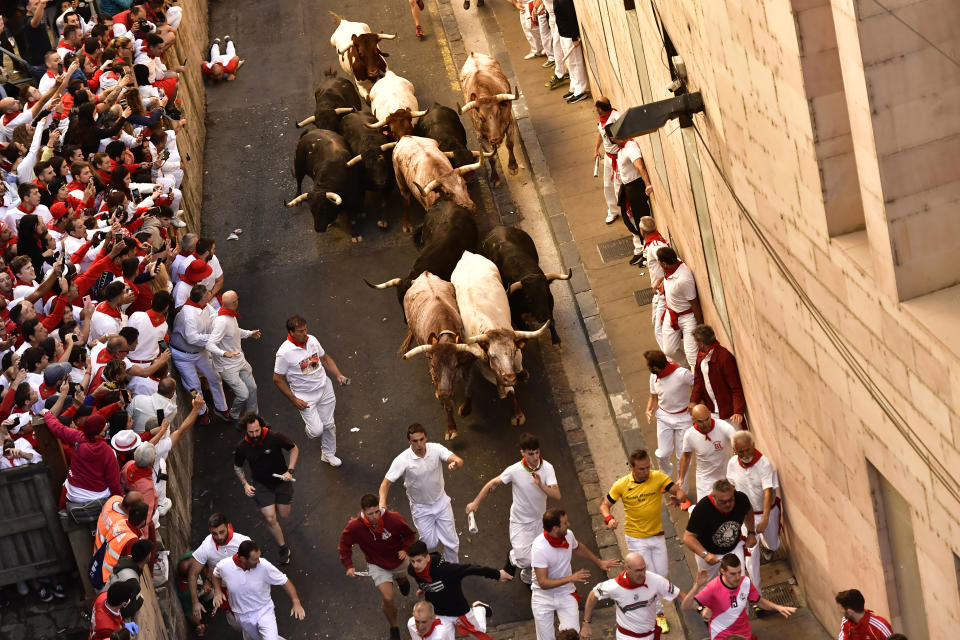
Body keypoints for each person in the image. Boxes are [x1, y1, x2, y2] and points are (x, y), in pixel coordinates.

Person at [599, 449, 687, 633]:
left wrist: (680, 497)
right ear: (631, 467)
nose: (646, 472)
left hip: (657, 535)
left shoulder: (658, 477)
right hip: (636, 538)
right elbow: (605, 505)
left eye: (647, 467)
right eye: (641, 469)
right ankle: (659, 615)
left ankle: (657, 607)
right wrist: (609, 519)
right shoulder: (621, 485)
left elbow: (677, 490)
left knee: (661, 574)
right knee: (648, 576)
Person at [465, 433, 560, 584]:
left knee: (539, 555)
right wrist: (475, 503)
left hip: (539, 520)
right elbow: (493, 483)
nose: (535, 457)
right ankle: (513, 557)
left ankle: (527, 578)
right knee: (525, 558)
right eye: (531, 453)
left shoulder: (548, 468)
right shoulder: (514, 470)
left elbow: (557, 495)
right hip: (519, 521)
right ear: (522, 452)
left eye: (537, 452)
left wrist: (541, 485)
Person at [530, 508, 620, 640]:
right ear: (555, 528)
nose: (569, 524)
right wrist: (571, 578)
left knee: (572, 635)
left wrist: (599, 562)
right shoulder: (539, 547)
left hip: (565, 593)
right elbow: (543, 583)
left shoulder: (568, 535)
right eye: (565, 523)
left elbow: (578, 547)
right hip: (543, 597)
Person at [380, 423, 464, 562]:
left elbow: (458, 460)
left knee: (452, 543)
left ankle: (452, 571)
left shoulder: (436, 448)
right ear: (409, 441)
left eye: (422, 439)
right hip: (421, 508)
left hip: (441, 502)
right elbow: (385, 484)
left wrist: (455, 463)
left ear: (426, 438)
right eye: (415, 441)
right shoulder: (402, 460)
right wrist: (382, 504)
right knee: (430, 544)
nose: (419, 444)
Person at [338, 493, 417, 640]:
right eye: (370, 514)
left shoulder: (394, 518)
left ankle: (402, 581)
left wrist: (405, 549)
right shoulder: (355, 527)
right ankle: (394, 627)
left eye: (376, 512)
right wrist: (348, 565)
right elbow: (344, 545)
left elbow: (410, 535)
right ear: (362, 512)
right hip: (377, 564)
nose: (374, 516)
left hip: (398, 560)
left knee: (401, 580)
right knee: (387, 598)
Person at [273, 314, 348, 467]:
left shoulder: (312, 340)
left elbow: (325, 358)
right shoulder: (284, 353)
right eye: (300, 331)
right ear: (291, 332)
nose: (304, 333)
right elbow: (277, 379)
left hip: (324, 387)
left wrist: (338, 375)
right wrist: (294, 399)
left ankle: (328, 454)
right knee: (316, 431)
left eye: (305, 329)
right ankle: (312, 428)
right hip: (305, 396)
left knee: (329, 425)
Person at [406, 539, 507, 639]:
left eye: (419, 560)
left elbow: (471, 569)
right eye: (412, 561)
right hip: (438, 613)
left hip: (458, 610)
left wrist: (497, 574)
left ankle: (479, 609)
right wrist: (422, 588)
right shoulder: (412, 570)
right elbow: (421, 579)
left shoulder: (446, 570)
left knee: (479, 634)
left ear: (427, 557)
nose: (415, 565)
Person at [234, 413, 299, 566]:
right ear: (245, 430)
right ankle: (283, 548)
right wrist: (245, 484)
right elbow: (237, 466)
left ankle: (276, 504)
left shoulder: (274, 437)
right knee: (270, 518)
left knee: (284, 514)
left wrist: (290, 471)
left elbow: (294, 449)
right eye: (251, 432)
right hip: (261, 485)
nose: (255, 434)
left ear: (261, 426)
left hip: (282, 481)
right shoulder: (242, 447)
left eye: (257, 430)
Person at [681, 555, 795, 638]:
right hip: (722, 636)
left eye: (739, 572)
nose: (737, 577)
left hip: (744, 634)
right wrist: (697, 586)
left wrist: (778, 607)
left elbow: (759, 601)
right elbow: (685, 606)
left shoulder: (745, 582)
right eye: (732, 574)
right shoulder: (713, 587)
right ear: (723, 572)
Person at [212, 539, 306, 640]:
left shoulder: (263, 565)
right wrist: (217, 591)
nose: (258, 561)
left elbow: (284, 581)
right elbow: (215, 574)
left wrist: (296, 602)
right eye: (255, 559)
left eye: (258, 557)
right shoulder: (224, 566)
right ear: (243, 559)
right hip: (242, 615)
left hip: (264, 610)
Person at [581, 552, 685, 640]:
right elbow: (593, 595)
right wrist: (586, 623)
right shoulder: (614, 586)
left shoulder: (655, 580)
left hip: (651, 635)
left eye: (644, 569)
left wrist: (699, 607)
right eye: (638, 570)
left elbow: (679, 594)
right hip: (627, 637)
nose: (643, 574)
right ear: (627, 569)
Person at [726, 430, 780, 591]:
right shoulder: (732, 464)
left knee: (774, 544)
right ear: (735, 451)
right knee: (750, 556)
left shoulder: (764, 464)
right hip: (746, 518)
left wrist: (765, 518)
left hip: (766, 513)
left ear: (753, 446)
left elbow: (768, 492)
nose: (745, 454)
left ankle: (767, 545)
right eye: (740, 452)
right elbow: (732, 486)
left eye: (747, 450)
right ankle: (756, 594)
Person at [169, 283, 229, 424]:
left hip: (199, 352)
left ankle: (221, 408)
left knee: (215, 377)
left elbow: (214, 317)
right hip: (183, 356)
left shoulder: (204, 306)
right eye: (207, 293)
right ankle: (202, 412)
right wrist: (213, 337)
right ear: (202, 299)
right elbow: (192, 338)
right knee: (194, 385)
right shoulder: (189, 315)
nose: (210, 293)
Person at [187, 512, 252, 636]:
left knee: (251, 622)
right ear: (210, 531)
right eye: (214, 534)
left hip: (245, 586)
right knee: (236, 624)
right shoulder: (206, 546)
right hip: (224, 591)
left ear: (228, 526)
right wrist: (195, 602)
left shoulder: (243, 541)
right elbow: (192, 574)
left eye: (222, 532)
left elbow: (256, 565)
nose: (219, 537)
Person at [206, 290, 260, 426]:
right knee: (243, 394)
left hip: (239, 360)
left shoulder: (229, 315)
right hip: (228, 367)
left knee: (252, 388)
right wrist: (224, 354)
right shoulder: (222, 321)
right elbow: (210, 344)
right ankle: (234, 415)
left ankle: (254, 419)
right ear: (235, 303)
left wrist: (249, 333)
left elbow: (235, 332)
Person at [683, 479, 754, 579]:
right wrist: (705, 555)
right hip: (708, 551)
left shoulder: (741, 498)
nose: (728, 504)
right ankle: (691, 510)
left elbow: (749, 511)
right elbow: (688, 537)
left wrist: (751, 533)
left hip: (734, 547)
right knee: (706, 584)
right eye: (722, 502)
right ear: (714, 497)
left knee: (738, 580)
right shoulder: (702, 509)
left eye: (730, 500)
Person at [644, 349, 694, 481]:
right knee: (663, 453)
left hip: (684, 418)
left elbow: (698, 385)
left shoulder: (682, 374)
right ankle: (665, 479)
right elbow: (653, 397)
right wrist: (649, 410)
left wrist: (694, 401)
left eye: (648, 365)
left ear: (655, 367)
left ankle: (681, 489)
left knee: (682, 456)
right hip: (664, 417)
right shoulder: (653, 376)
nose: (647, 368)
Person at [677, 405, 736, 505]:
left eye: (706, 419)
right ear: (693, 420)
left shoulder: (723, 426)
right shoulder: (689, 435)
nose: (705, 424)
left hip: (727, 474)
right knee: (703, 508)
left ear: (709, 413)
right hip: (705, 478)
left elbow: (737, 442)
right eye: (700, 421)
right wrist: (681, 478)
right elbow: (686, 457)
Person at [690, 325, 746, 426]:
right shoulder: (700, 356)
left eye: (696, 342)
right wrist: (694, 400)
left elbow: (736, 387)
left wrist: (738, 411)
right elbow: (698, 381)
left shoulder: (725, 358)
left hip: (730, 415)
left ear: (702, 344)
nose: (695, 344)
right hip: (712, 412)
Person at [612, 133, 654, 266]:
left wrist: (647, 184)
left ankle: (647, 254)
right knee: (630, 218)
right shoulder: (621, 149)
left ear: (612, 138)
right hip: (627, 187)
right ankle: (642, 249)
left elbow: (640, 166)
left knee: (641, 219)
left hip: (635, 186)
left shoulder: (630, 147)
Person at [657, 247, 701, 369]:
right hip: (670, 314)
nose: (659, 265)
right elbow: (666, 276)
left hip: (688, 318)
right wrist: (660, 281)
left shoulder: (683, 279)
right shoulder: (672, 263)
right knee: (669, 350)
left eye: (659, 263)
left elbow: (694, 303)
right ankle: (686, 368)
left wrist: (700, 326)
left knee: (692, 355)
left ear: (664, 264)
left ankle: (697, 380)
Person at [638, 217, 670, 347]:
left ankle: (675, 363)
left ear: (642, 231)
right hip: (660, 293)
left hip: (664, 293)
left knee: (660, 331)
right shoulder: (655, 243)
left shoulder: (655, 246)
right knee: (657, 325)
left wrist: (661, 279)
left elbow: (670, 262)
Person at [552, 0, 588, 103]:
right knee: (570, 64)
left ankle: (580, 91)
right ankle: (574, 87)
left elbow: (572, 17)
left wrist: (574, 37)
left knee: (576, 63)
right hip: (563, 34)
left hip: (569, 36)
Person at [592, 97, 621, 225]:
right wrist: (596, 149)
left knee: (618, 187)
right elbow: (600, 132)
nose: (596, 110)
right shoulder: (602, 119)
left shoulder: (616, 118)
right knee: (607, 186)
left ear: (601, 109)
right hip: (608, 157)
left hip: (619, 157)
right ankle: (612, 211)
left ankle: (627, 211)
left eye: (597, 108)